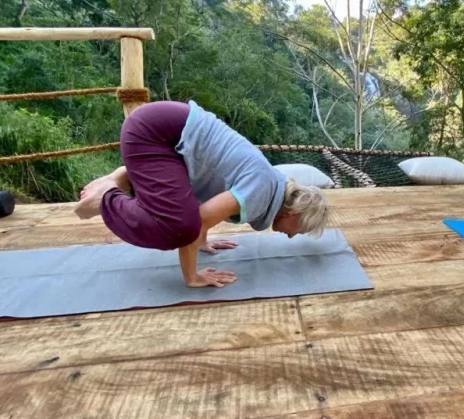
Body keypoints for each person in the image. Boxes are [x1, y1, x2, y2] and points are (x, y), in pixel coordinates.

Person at [75, 100, 329, 288]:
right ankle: (109, 195)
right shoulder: (262, 191)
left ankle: (128, 175)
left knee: (187, 221)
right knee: (176, 228)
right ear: (292, 211)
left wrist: (203, 240)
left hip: (169, 138)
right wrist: (192, 276)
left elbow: (208, 191)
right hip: (153, 134)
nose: (294, 236)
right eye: (301, 229)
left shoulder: (269, 186)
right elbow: (197, 220)